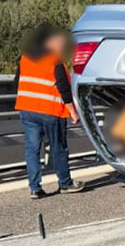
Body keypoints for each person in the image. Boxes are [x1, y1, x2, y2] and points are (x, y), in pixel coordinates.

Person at [14, 27, 84, 199]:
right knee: (58, 147)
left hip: (28, 109)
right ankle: (65, 183)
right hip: (51, 110)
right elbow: (63, 88)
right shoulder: (54, 60)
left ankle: (35, 188)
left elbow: (17, 82)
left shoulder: (25, 58)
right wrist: (73, 113)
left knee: (32, 149)